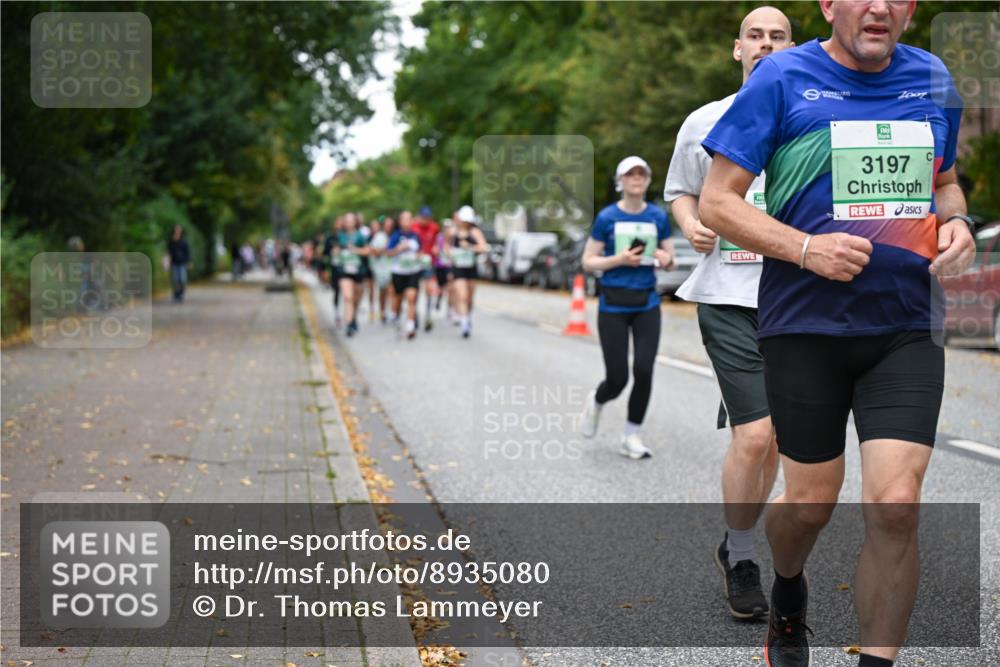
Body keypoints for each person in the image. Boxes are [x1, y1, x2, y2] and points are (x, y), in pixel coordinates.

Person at [698, 2, 976, 665]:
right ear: (828, 4)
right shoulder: (783, 78)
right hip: (805, 326)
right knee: (810, 504)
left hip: (904, 323)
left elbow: (945, 182)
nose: (879, 6)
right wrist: (803, 248)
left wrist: (958, 223)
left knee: (897, 504)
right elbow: (717, 201)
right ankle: (788, 592)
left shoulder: (933, 78)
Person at [664, 5, 794, 621]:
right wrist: (691, 223)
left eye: (778, 37)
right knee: (758, 434)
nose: (766, 45)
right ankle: (742, 557)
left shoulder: (810, 116)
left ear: (794, 49)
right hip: (727, 296)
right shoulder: (705, 121)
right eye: (756, 36)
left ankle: (734, 540)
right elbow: (680, 191)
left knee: (774, 444)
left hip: (797, 298)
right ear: (736, 49)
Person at [579, 156, 674, 459]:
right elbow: (588, 261)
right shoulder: (607, 217)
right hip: (613, 305)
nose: (636, 178)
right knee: (618, 379)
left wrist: (662, 257)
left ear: (647, 180)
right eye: (629, 174)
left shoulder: (658, 217)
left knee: (644, 370)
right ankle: (597, 400)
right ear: (620, 181)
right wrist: (618, 260)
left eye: (641, 173)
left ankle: (631, 436)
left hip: (647, 302)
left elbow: (671, 260)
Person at [445, 205, 489, 338]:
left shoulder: (474, 232)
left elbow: (483, 247)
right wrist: (451, 254)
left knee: (469, 298)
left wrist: (470, 247)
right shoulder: (452, 232)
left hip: (471, 268)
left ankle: (467, 316)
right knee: (462, 296)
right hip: (458, 268)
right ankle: (464, 324)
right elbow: (446, 246)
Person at [386, 210, 423, 340]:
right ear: (400, 222)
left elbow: (420, 252)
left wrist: (419, 257)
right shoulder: (396, 236)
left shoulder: (416, 236)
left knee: (412, 297)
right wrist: (399, 249)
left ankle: (410, 325)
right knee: (398, 298)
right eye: (404, 219)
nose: (407, 222)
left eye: (409, 219)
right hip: (399, 272)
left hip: (413, 271)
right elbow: (388, 253)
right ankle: (395, 314)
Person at [336, 212, 370, 337]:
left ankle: (353, 317)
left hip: (358, 270)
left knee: (356, 298)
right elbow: (334, 251)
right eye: (347, 220)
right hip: (344, 270)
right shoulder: (340, 236)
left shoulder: (360, 235)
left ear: (355, 222)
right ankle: (349, 324)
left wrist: (355, 250)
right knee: (348, 297)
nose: (349, 223)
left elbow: (368, 251)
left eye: (351, 220)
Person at [412, 205, 441, 331]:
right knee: (415, 291)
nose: (426, 220)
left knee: (429, 290)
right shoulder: (414, 227)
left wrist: (436, 248)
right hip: (415, 263)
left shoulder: (434, 227)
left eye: (428, 217)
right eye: (423, 217)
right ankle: (415, 315)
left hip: (429, 262)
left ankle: (428, 316)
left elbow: (437, 241)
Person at [433, 218, 455, 322]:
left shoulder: (454, 239)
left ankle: (450, 309)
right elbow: (435, 249)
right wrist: (436, 250)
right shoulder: (439, 238)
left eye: (449, 227)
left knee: (451, 288)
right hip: (440, 266)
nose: (447, 230)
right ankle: (439, 299)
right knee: (441, 287)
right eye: (446, 228)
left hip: (450, 266)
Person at [167, 225, 192, 303]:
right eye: (176, 230)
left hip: (182, 263)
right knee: (175, 280)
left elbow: (188, 252)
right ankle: (176, 295)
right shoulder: (171, 241)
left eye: (179, 230)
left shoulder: (184, 241)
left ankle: (181, 294)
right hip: (174, 263)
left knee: (182, 280)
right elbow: (168, 252)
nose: (177, 232)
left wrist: (189, 261)